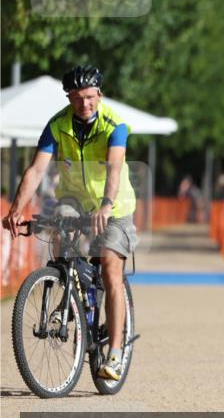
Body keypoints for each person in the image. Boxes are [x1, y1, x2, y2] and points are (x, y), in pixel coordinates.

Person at [2, 65, 137, 381]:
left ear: (99, 95)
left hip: (113, 205)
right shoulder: (57, 125)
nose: (84, 104)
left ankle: (115, 354)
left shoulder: (114, 125)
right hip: (73, 202)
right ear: (68, 98)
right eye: (77, 98)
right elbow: (36, 170)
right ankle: (72, 296)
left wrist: (106, 205)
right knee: (61, 247)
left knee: (110, 269)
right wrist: (16, 208)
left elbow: (115, 167)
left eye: (89, 97)